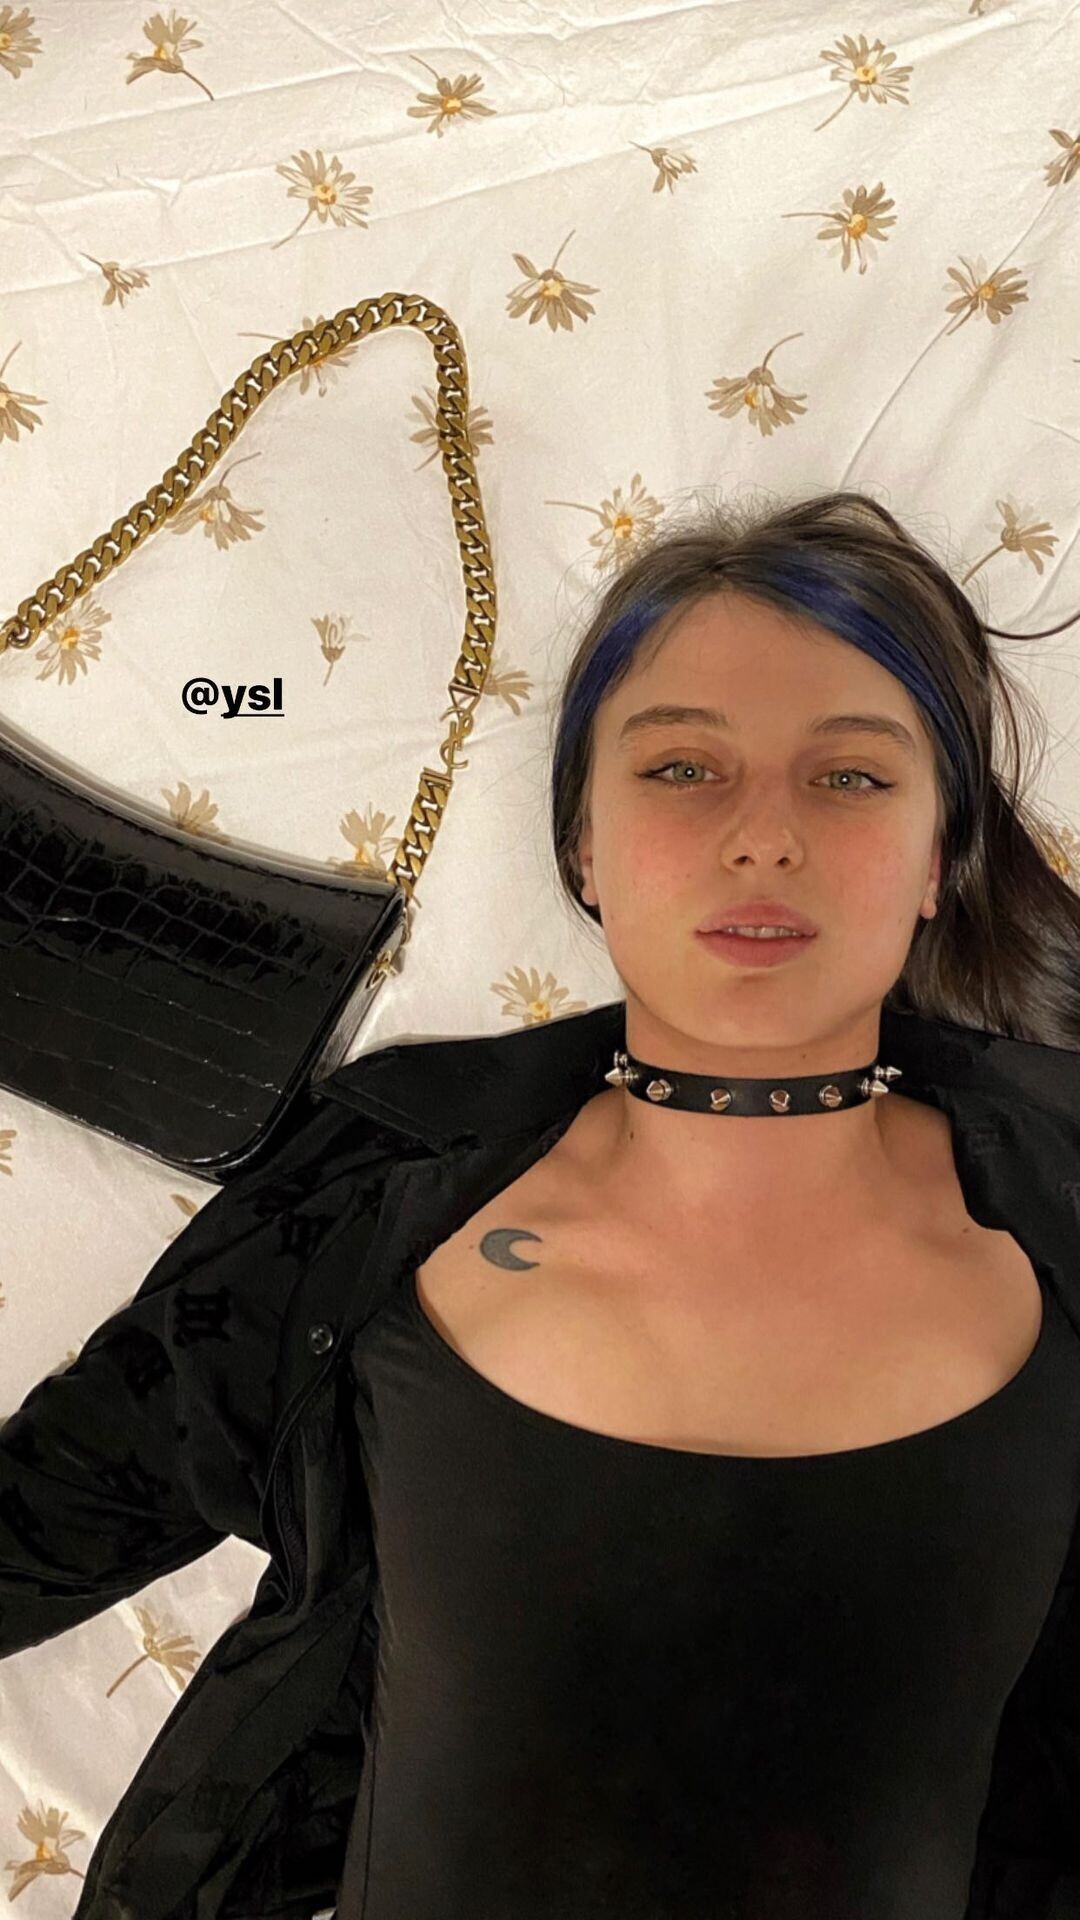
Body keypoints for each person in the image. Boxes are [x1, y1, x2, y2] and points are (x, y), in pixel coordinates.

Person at [4, 488, 1080, 1920]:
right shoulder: (379, 1195)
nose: (766, 836)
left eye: (850, 777)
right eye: (684, 767)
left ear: (939, 855)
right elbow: (48, 1520)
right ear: (581, 842)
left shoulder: (1060, 1214)